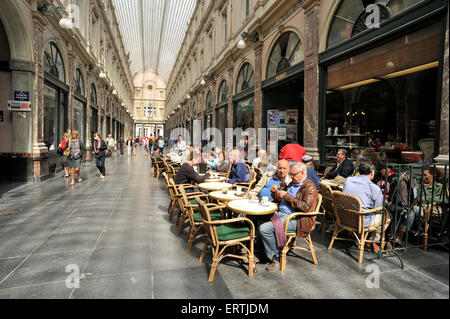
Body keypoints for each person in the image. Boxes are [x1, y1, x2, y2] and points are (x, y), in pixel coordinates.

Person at [259, 162, 318, 272]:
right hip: (281, 213)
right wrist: (275, 193)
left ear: (302, 173)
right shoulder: (292, 184)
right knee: (257, 217)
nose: (290, 177)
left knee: (264, 229)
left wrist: (287, 196)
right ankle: (261, 251)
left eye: (293, 174)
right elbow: (281, 199)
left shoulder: (310, 187)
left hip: (297, 218)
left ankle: (277, 257)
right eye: (290, 174)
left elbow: (305, 207)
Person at [342, 162, 387, 252]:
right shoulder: (374, 188)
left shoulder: (348, 180)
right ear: (372, 173)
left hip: (345, 217)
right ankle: (371, 241)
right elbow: (378, 208)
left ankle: (359, 237)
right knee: (386, 217)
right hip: (361, 221)